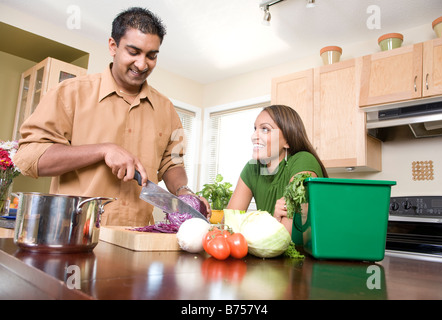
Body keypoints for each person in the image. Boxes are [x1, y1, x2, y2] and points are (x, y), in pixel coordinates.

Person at [13, 7, 210, 226]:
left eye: (151, 56)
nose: (142, 64)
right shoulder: (70, 93)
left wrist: (184, 192)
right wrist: (102, 150)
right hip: (74, 235)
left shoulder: (166, 108)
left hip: (137, 237)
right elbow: (28, 157)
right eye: (133, 52)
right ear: (113, 46)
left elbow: (172, 163)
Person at [227, 104, 328, 243]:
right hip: (267, 257)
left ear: (287, 140)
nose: (254, 136)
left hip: (303, 261)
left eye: (265, 129)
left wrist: (256, 225)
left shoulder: (303, 160)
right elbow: (227, 228)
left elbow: (287, 236)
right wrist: (273, 220)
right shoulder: (252, 169)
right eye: (255, 128)